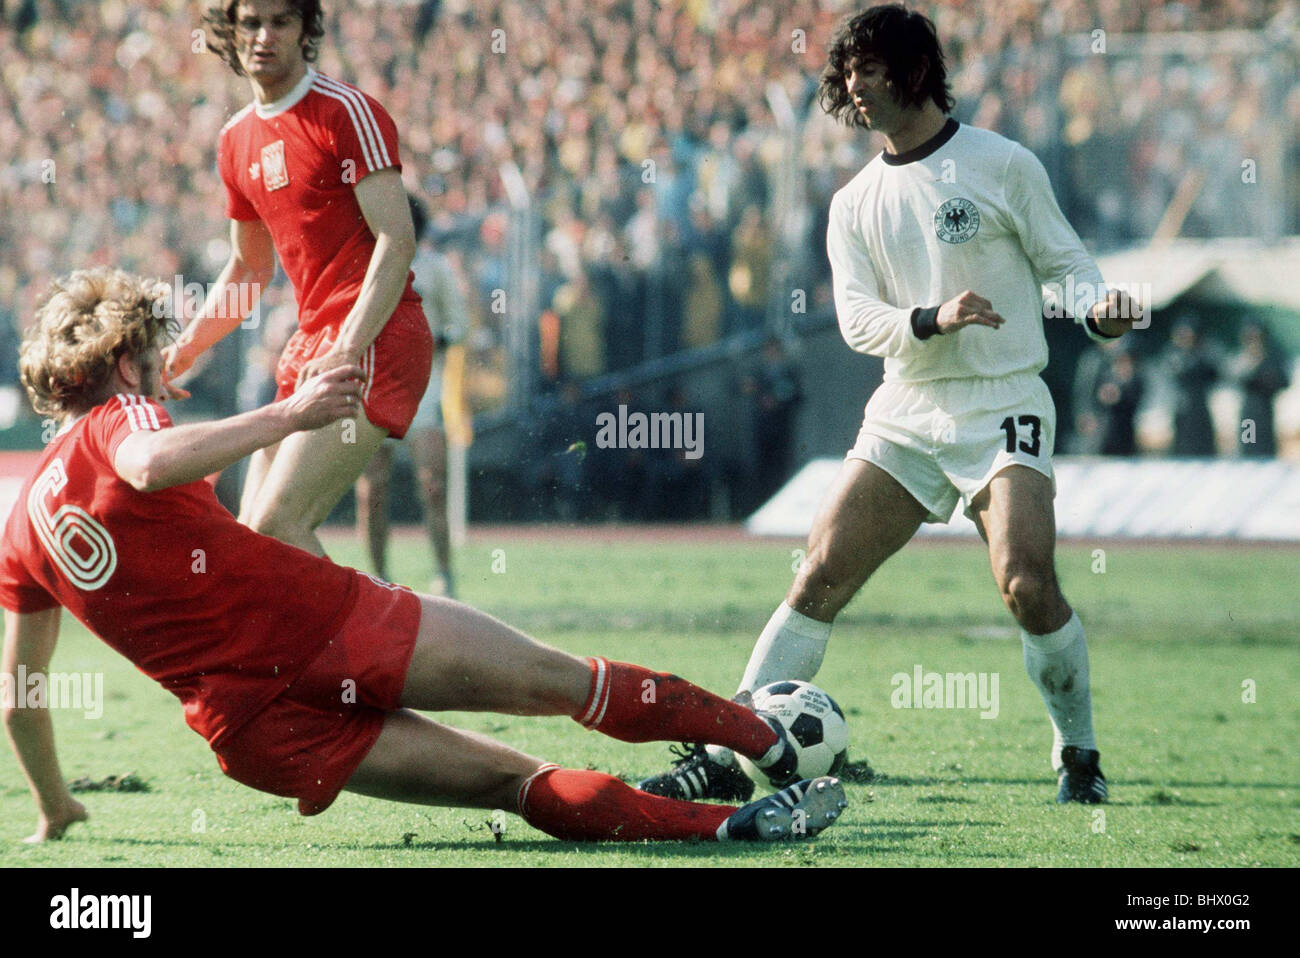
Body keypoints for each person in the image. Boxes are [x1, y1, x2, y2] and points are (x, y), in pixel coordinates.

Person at [1, 267, 846, 845]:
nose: (164, 376)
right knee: (568, 684)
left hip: (253, 732)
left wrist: (55, 802)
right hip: (325, 627)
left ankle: (727, 829)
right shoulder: (123, 419)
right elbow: (148, 461)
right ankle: (765, 740)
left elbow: (19, 700)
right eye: (156, 359)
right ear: (121, 362)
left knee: (515, 785)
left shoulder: (21, 526)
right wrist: (289, 415)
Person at [639, 4, 1143, 806]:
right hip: (907, 406)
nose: (854, 87)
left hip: (1003, 395)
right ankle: (725, 752)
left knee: (1024, 581)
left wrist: (1099, 308)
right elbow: (858, 321)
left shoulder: (1003, 163)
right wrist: (932, 318)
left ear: (913, 70)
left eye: (869, 69)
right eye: (846, 74)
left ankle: (1078, 753)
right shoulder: (854, 202)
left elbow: (1068, 265)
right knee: (817, 576)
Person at [162, 0, 432, 557]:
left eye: (281, 22)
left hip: (375, 335)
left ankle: (385, 642)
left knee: (277, 522)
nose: (264, 36)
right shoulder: (235, 139)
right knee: (251, 547)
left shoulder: (346, 112)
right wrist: (190, 345)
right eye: (251, 23)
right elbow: (250, 266)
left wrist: (348, 346)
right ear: (230, 33)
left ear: (306, 29)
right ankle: (354, 637)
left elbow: (397, 239)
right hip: (314, 342)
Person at [355, 196, 463, 595]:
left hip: (424, 391)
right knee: (372, 489)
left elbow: (459, 323)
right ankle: (377, 579)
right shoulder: (368, 268)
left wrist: (431, 345)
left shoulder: (434, 269)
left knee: (433, 484)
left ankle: (444, 573)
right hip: (376, 387)